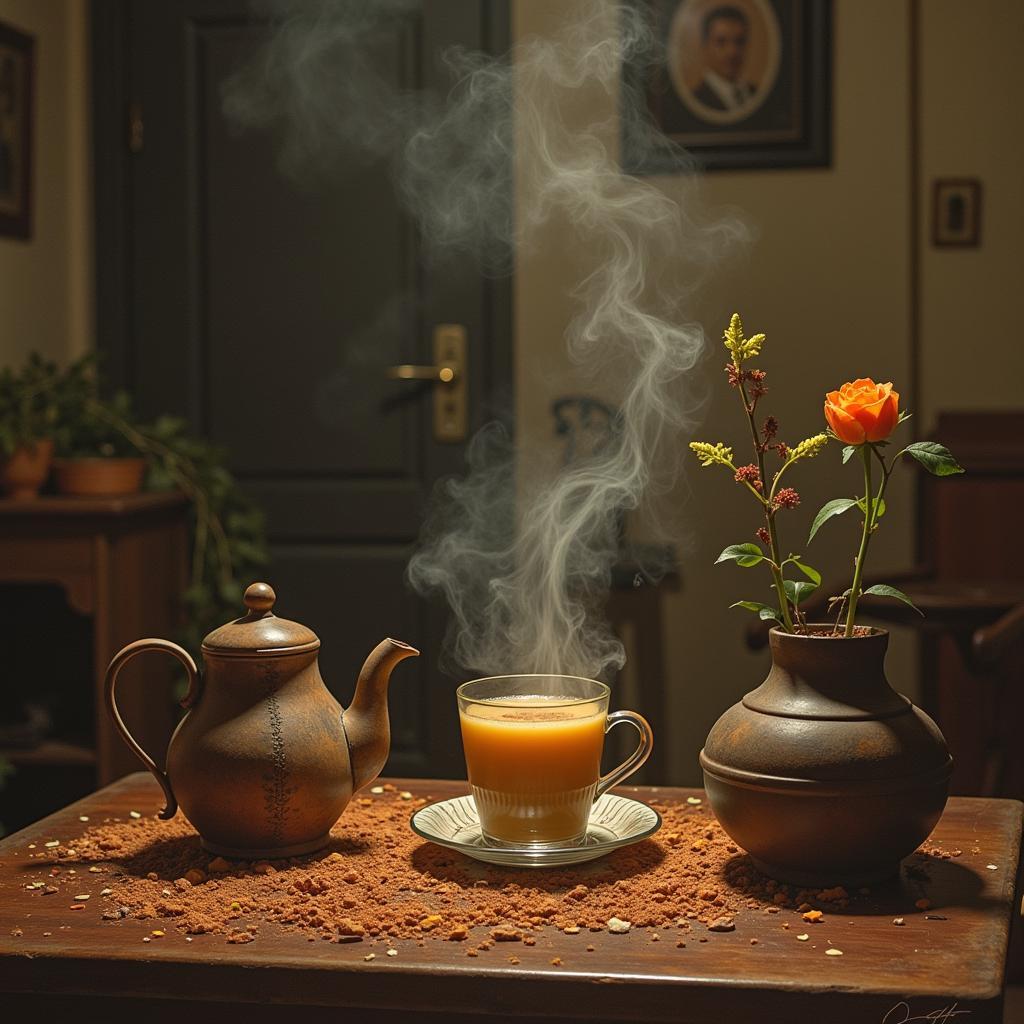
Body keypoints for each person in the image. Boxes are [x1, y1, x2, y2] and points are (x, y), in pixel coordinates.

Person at [692, 5, 757, 113]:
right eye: (721, 42)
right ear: (705, 47)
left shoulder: (756, 94)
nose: (732, 52)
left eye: (739, 41)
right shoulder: (697, 100)